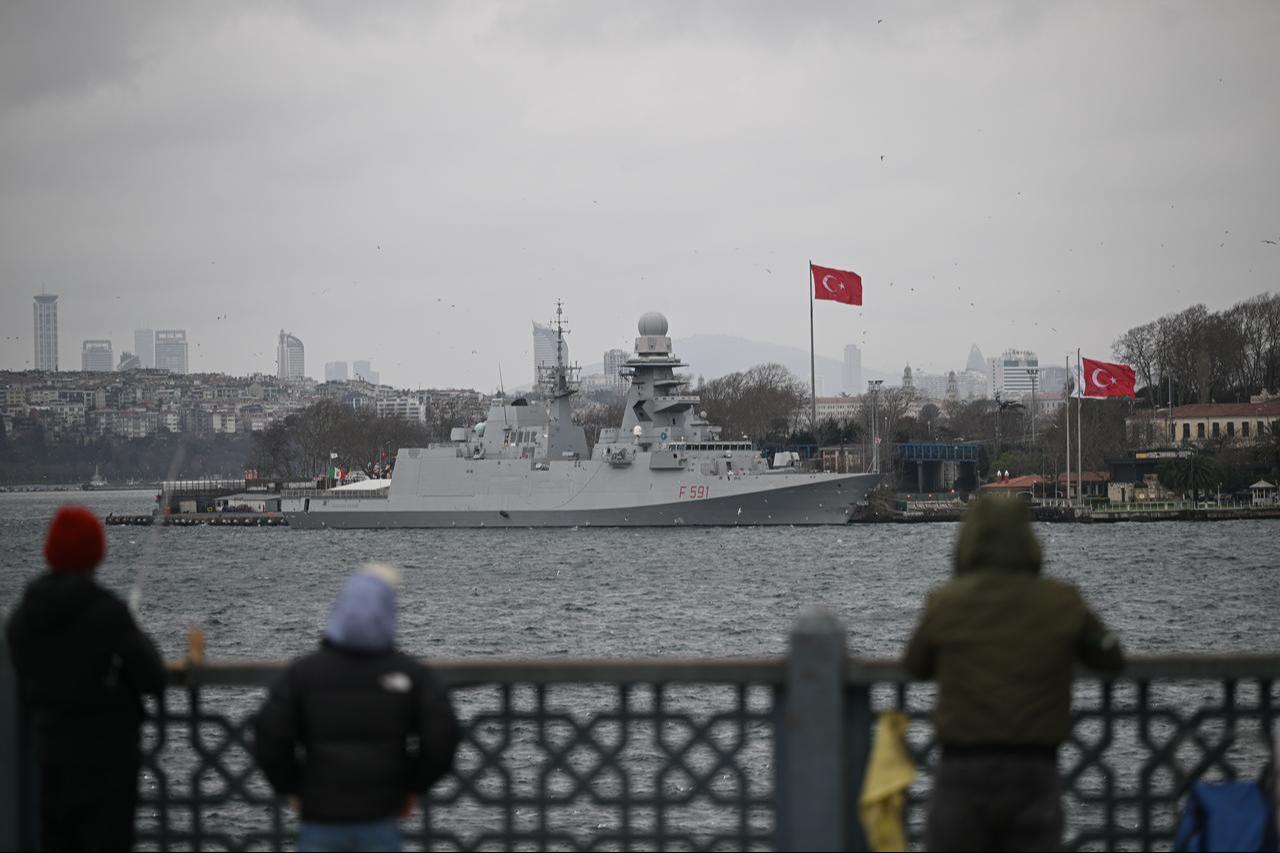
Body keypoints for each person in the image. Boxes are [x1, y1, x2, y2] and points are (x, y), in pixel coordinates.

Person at [903, 497, 1125, 852]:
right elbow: (1111, 656)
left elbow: (915, 664)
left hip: (963, 768)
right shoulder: (1062, 601)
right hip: (1033, 769)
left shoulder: (946, 602)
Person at [252, 563, 461, 853]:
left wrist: (293, 788)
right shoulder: (409, 673)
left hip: (320, 815)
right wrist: (413, 786)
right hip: (381, 815)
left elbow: (269, 736)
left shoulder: (302, 673)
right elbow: (442, 735)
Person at [5, 504, 167, 851]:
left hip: (49, 757)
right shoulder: (106, 611)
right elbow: (152, 675)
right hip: (108, 763)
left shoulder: (24, 616)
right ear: (96, 556)